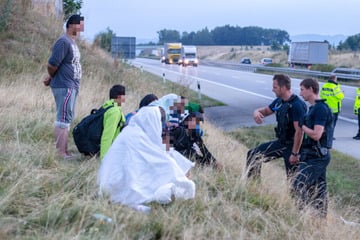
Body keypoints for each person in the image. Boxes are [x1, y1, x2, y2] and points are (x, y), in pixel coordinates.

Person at [97, 106, 195, 212]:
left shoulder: (130, 131)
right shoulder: (138, 137)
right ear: (153, 121)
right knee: (169, 175)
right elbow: (161, 160)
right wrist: (181, 173)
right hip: (123, 185)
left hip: (109, 184)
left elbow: (159, 151)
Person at [246, 74, 307, 180]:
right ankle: (253, 186)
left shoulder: (297, 105)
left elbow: (299, 131)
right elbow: (266, 111)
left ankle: (297, 196)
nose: (273, 90)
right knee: (253, 155)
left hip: (294, 147)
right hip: (281, 143)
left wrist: (295, 153)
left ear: (283, 88)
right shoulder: (279, 102)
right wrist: (256, 112)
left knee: (293, 182)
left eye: (275, 87)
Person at [292, 78, 334, 218]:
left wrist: (303, 127)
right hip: (311, 154)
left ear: (311, 89)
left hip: (318, 156)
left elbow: (316, 135)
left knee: (298, 184)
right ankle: (319, 221)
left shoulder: (321, 109)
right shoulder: (313, 108)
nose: (300, 93)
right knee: (318, 190)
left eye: (302, 89)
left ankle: (302, 216)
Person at [43, 14, 82, 158]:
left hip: (72, 86)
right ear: (71, 25)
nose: (81, 29)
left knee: (67, 118)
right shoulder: (63, 42)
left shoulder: (72, 42)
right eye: (79, 25)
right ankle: (61, 152)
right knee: (62, 118)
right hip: (64, 86)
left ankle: (65, 150)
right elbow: (52, 64)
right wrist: (52, 77)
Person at [100, 84, 126, 160]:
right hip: (113, 149)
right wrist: (104, 159)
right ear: (119, 97)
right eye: (124, 96)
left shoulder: (107, 106)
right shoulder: (115, 112)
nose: (125, 99)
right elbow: (107, 136)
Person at [320, 75, 344, 139]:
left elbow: (321, 95)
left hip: (326, 108)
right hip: (334, 109)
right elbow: (341, 96)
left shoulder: (324, 85)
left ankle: (324, 135)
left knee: (325, 123)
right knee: (332, 124)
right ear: (334, 79)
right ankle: (330, 137)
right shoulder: (335, 87)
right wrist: (341, 92)